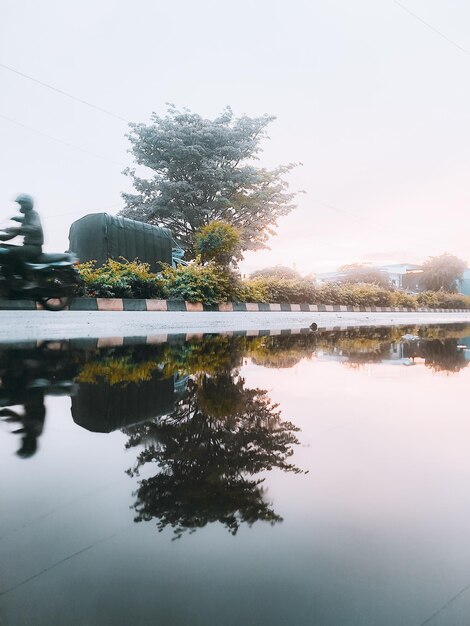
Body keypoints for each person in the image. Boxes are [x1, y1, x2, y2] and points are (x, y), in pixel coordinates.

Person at [0, 193, 44, 288]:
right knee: (4, 249)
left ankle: (29, 279)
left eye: (21, 203)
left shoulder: (33, 214)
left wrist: (17, 229)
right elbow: (9, 236)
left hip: (34, 248)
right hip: (28, 247)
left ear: (27, 204)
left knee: (11, 252)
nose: (20, 206)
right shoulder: (26, 218)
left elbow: (35, 228)